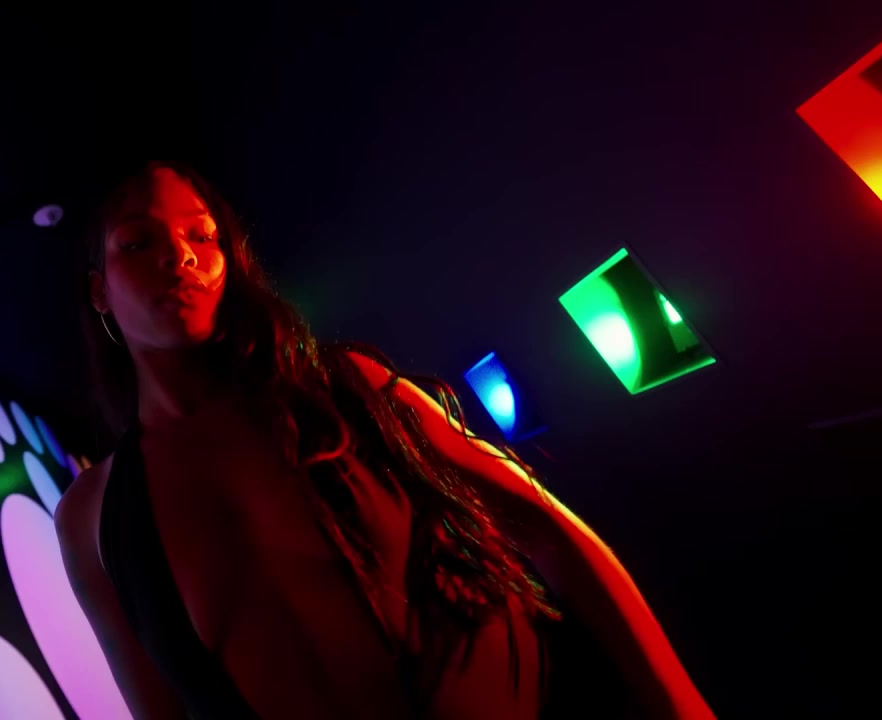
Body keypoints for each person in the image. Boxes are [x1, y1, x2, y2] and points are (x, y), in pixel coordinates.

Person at [55, 161, 714, 719]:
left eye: (202, 235)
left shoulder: (345, 387)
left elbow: (553, 532)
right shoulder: (92, 518)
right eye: (138, 242)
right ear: (98, 292)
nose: (181, 256)